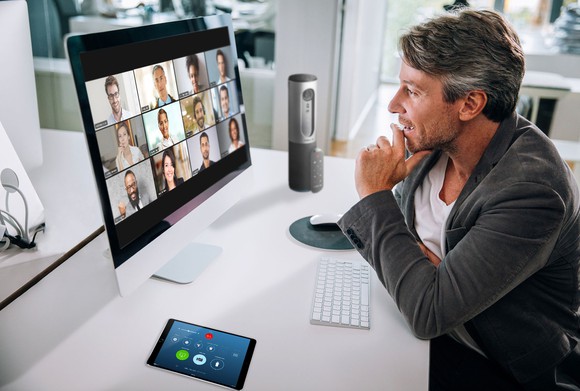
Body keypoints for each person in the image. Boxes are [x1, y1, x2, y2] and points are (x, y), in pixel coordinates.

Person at [337, 9, 580, 391]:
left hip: (495, 364)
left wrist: (375, 193)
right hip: (434, 329)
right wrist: (429, 275)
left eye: (413, 91)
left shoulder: (533, 190)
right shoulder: (433, 146)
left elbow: (427, 312)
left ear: (470, 104)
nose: (393, 105)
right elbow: (410, 262)